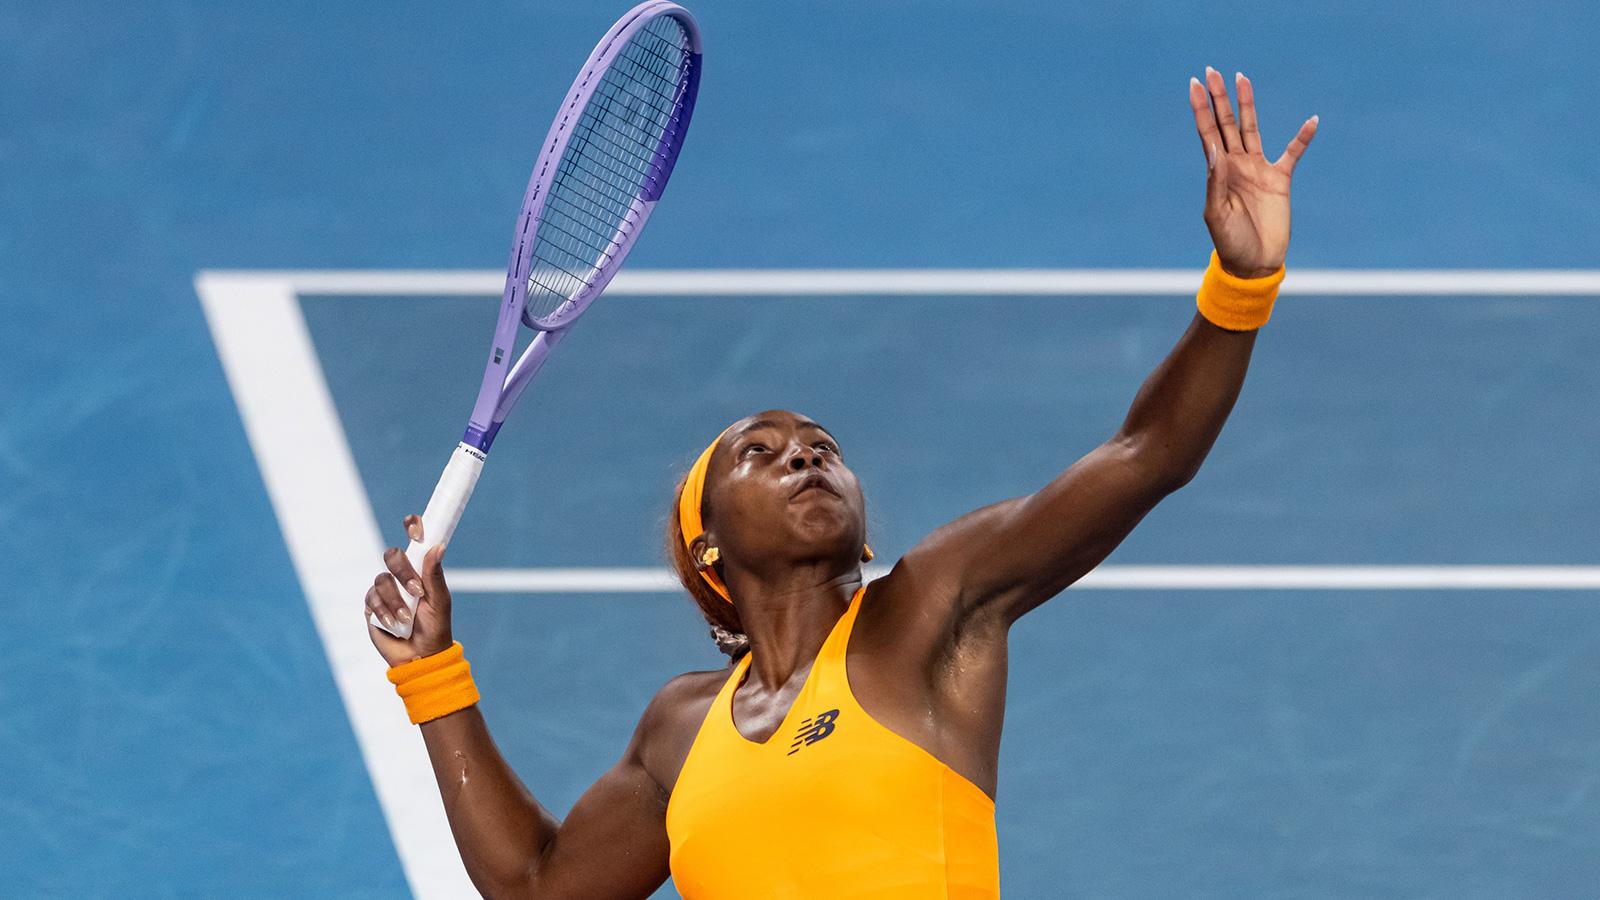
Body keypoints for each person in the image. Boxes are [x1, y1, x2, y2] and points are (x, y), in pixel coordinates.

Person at [364, 68, 1318, 899]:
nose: (804, 456)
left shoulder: (930, 612)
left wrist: (1238, 288)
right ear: (707, 548)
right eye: (761, 452)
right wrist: (431, 677)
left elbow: (1147, 456)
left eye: (821, 447)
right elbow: (537, 888)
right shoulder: (679, 730)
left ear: (863, 532)